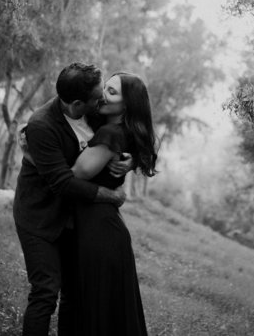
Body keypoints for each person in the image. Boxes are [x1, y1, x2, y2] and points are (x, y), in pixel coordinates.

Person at [13, 63, 132, 336]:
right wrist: (110, 196)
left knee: (73, 293)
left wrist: (130, 160)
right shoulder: (42, 125)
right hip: (39, 217)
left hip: (75, 218)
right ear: (78, 103)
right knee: (45, 291)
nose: (102, 98)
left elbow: (126, 135)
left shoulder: (95, 114)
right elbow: (62, 182)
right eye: (97, 96)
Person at [66, 71, 158, 335]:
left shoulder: (110, 133)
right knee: (102, 312)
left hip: (98, 233)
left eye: (111, 92)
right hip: (102, 229)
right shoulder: (117, 130)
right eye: (104, 88)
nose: (101, 94)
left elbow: (75, 175)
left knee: (95, 311)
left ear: (127, 104)